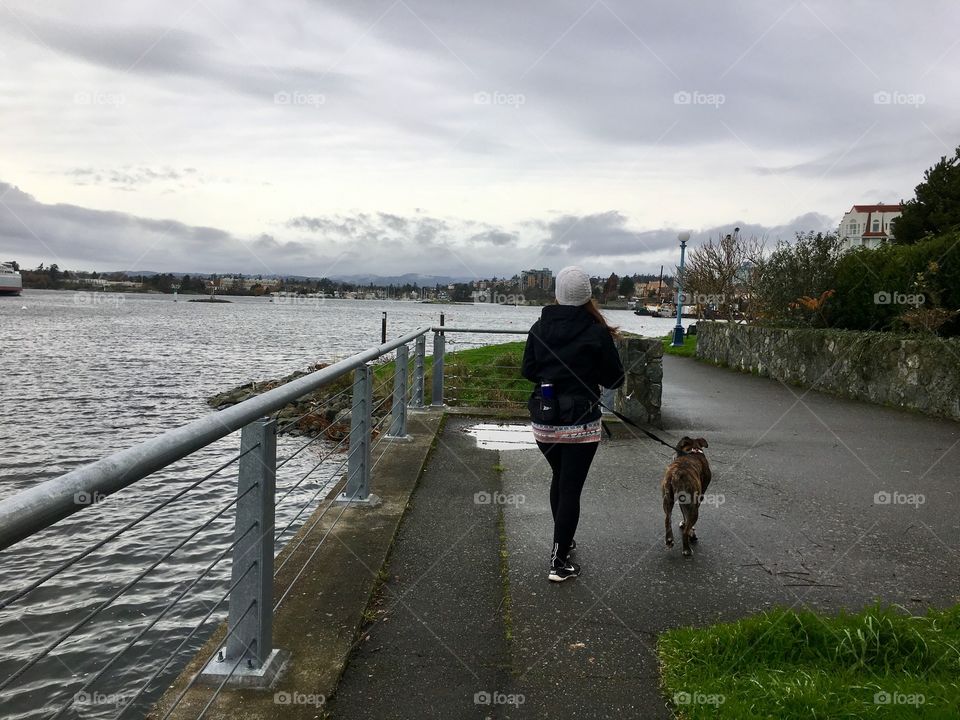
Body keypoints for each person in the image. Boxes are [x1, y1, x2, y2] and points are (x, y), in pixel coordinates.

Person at [521, 266, 625, 582]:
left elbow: (528, 370)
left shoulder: (539, 327)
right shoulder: (596, 332)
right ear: (587, 297)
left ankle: (562, 542)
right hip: (581, 424)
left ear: (557, 294)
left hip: (546, 421)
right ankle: (559, 561)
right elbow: (616, 378)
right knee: (570, 489)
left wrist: (552, 375)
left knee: (559, 478)